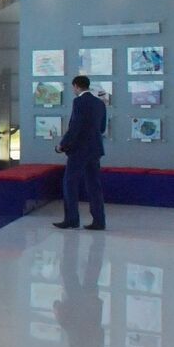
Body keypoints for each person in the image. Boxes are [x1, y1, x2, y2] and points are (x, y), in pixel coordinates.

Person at [54, 74, 107, 231]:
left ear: (76, 86)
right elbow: (102, 128)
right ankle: (99, 220)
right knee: (94, 186)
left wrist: (62, 145)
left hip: (79, 150)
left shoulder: (78, 102)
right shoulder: (100, 103)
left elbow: (75, 127)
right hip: (95, 149)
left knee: (70, 183)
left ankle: (72, 219)